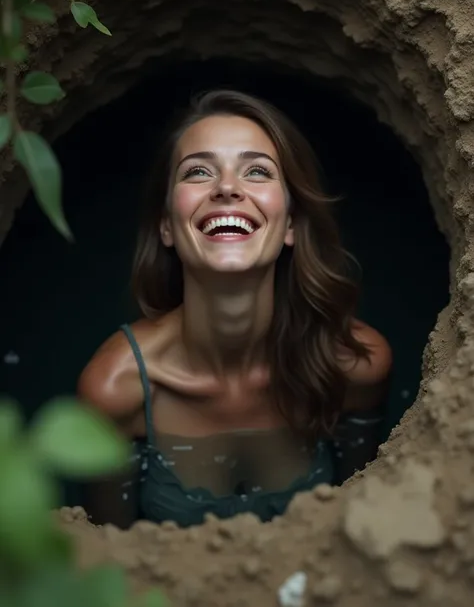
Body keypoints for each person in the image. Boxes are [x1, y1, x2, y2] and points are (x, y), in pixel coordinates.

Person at [78, 89, 392, 529]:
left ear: (292, 226)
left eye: (258, 171)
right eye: (199, 172)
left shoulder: (355, 364)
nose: (227, 188)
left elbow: (368, 520)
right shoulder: (116, 390)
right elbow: (105, 554)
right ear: (166, 225)